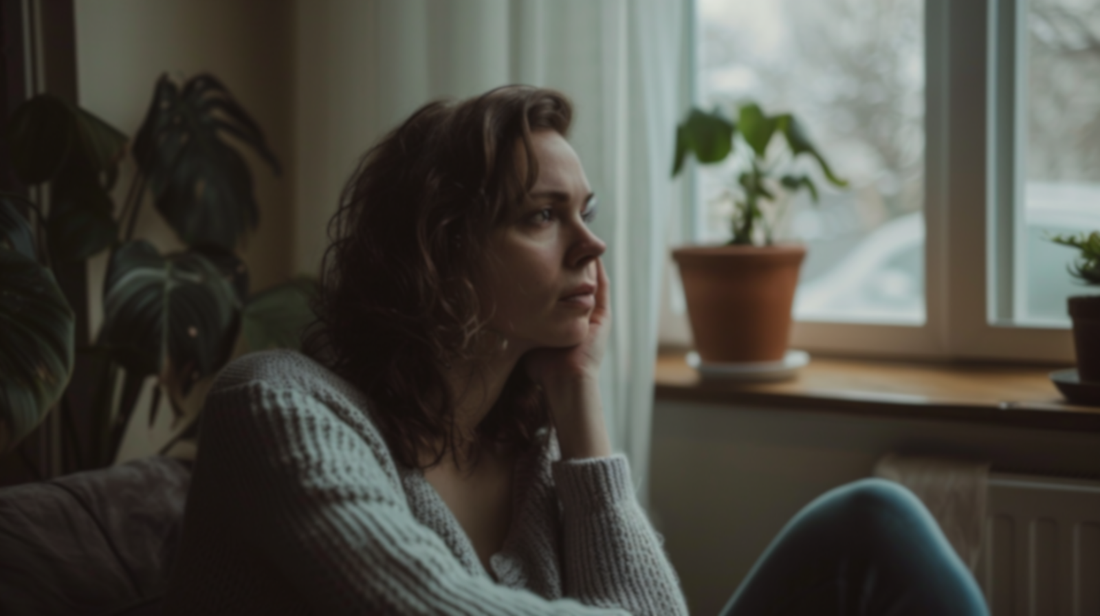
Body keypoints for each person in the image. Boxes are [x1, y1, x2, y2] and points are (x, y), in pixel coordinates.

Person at [162, 86, 988, 615]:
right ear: (439, 252)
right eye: (541, 216)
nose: (592, 245)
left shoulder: (528, 445)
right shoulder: (278, 407)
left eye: (586, 211)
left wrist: (581, 398)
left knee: (872, 525)